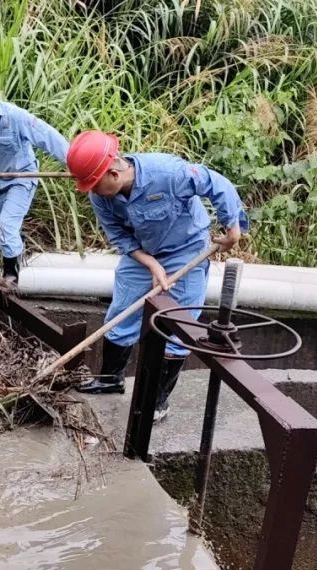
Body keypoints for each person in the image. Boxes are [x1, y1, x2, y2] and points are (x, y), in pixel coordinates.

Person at [66, 130, 248, 422]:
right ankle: (110, 379)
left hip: (185, 250)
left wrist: (233, 229)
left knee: (179, 325)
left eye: (95, 184)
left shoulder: (168, 173)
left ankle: (158, 400)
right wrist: (151, 264)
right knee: (121, 313)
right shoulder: (101, 197)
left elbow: (217, 184)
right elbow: (117, 234)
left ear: (113, 174)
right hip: (142, 253)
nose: (92, 192)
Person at [0, 79, 69, 284]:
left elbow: (47, 136)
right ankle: (1, 264)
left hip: (22, 177)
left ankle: (11, 280)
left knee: (7, 226)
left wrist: (72, 162)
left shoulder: (15, 116)